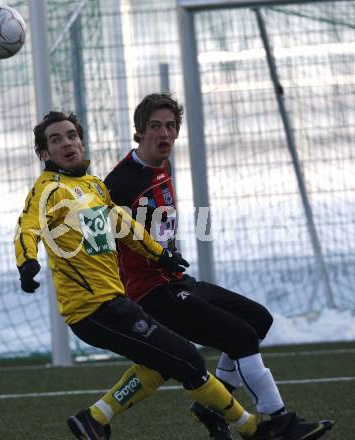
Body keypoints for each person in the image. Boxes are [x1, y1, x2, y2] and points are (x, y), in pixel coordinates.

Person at [14, 110, 303, 440]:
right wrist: (27, 262)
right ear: (44, 153)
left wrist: (161, 255)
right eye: (56, 139)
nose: (67, 143)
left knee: (160, 364)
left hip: (115, 301)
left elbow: (124, 226)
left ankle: (94, 419)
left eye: (71, 135)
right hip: (91, 309)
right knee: (189, 360)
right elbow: (27, 228)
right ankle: (253, 428)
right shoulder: (48, 190)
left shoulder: (92, 186)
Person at [99, 93, 333, 440]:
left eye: (170, 126)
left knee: (258, 319)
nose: (164, 134)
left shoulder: (160, 168)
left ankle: (212, 407)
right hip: (153, 295)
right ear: (139, 133)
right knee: (240, 337)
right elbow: (103, 243)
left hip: (177, 281)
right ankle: (276, 421)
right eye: (155, 126)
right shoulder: (118, 184)